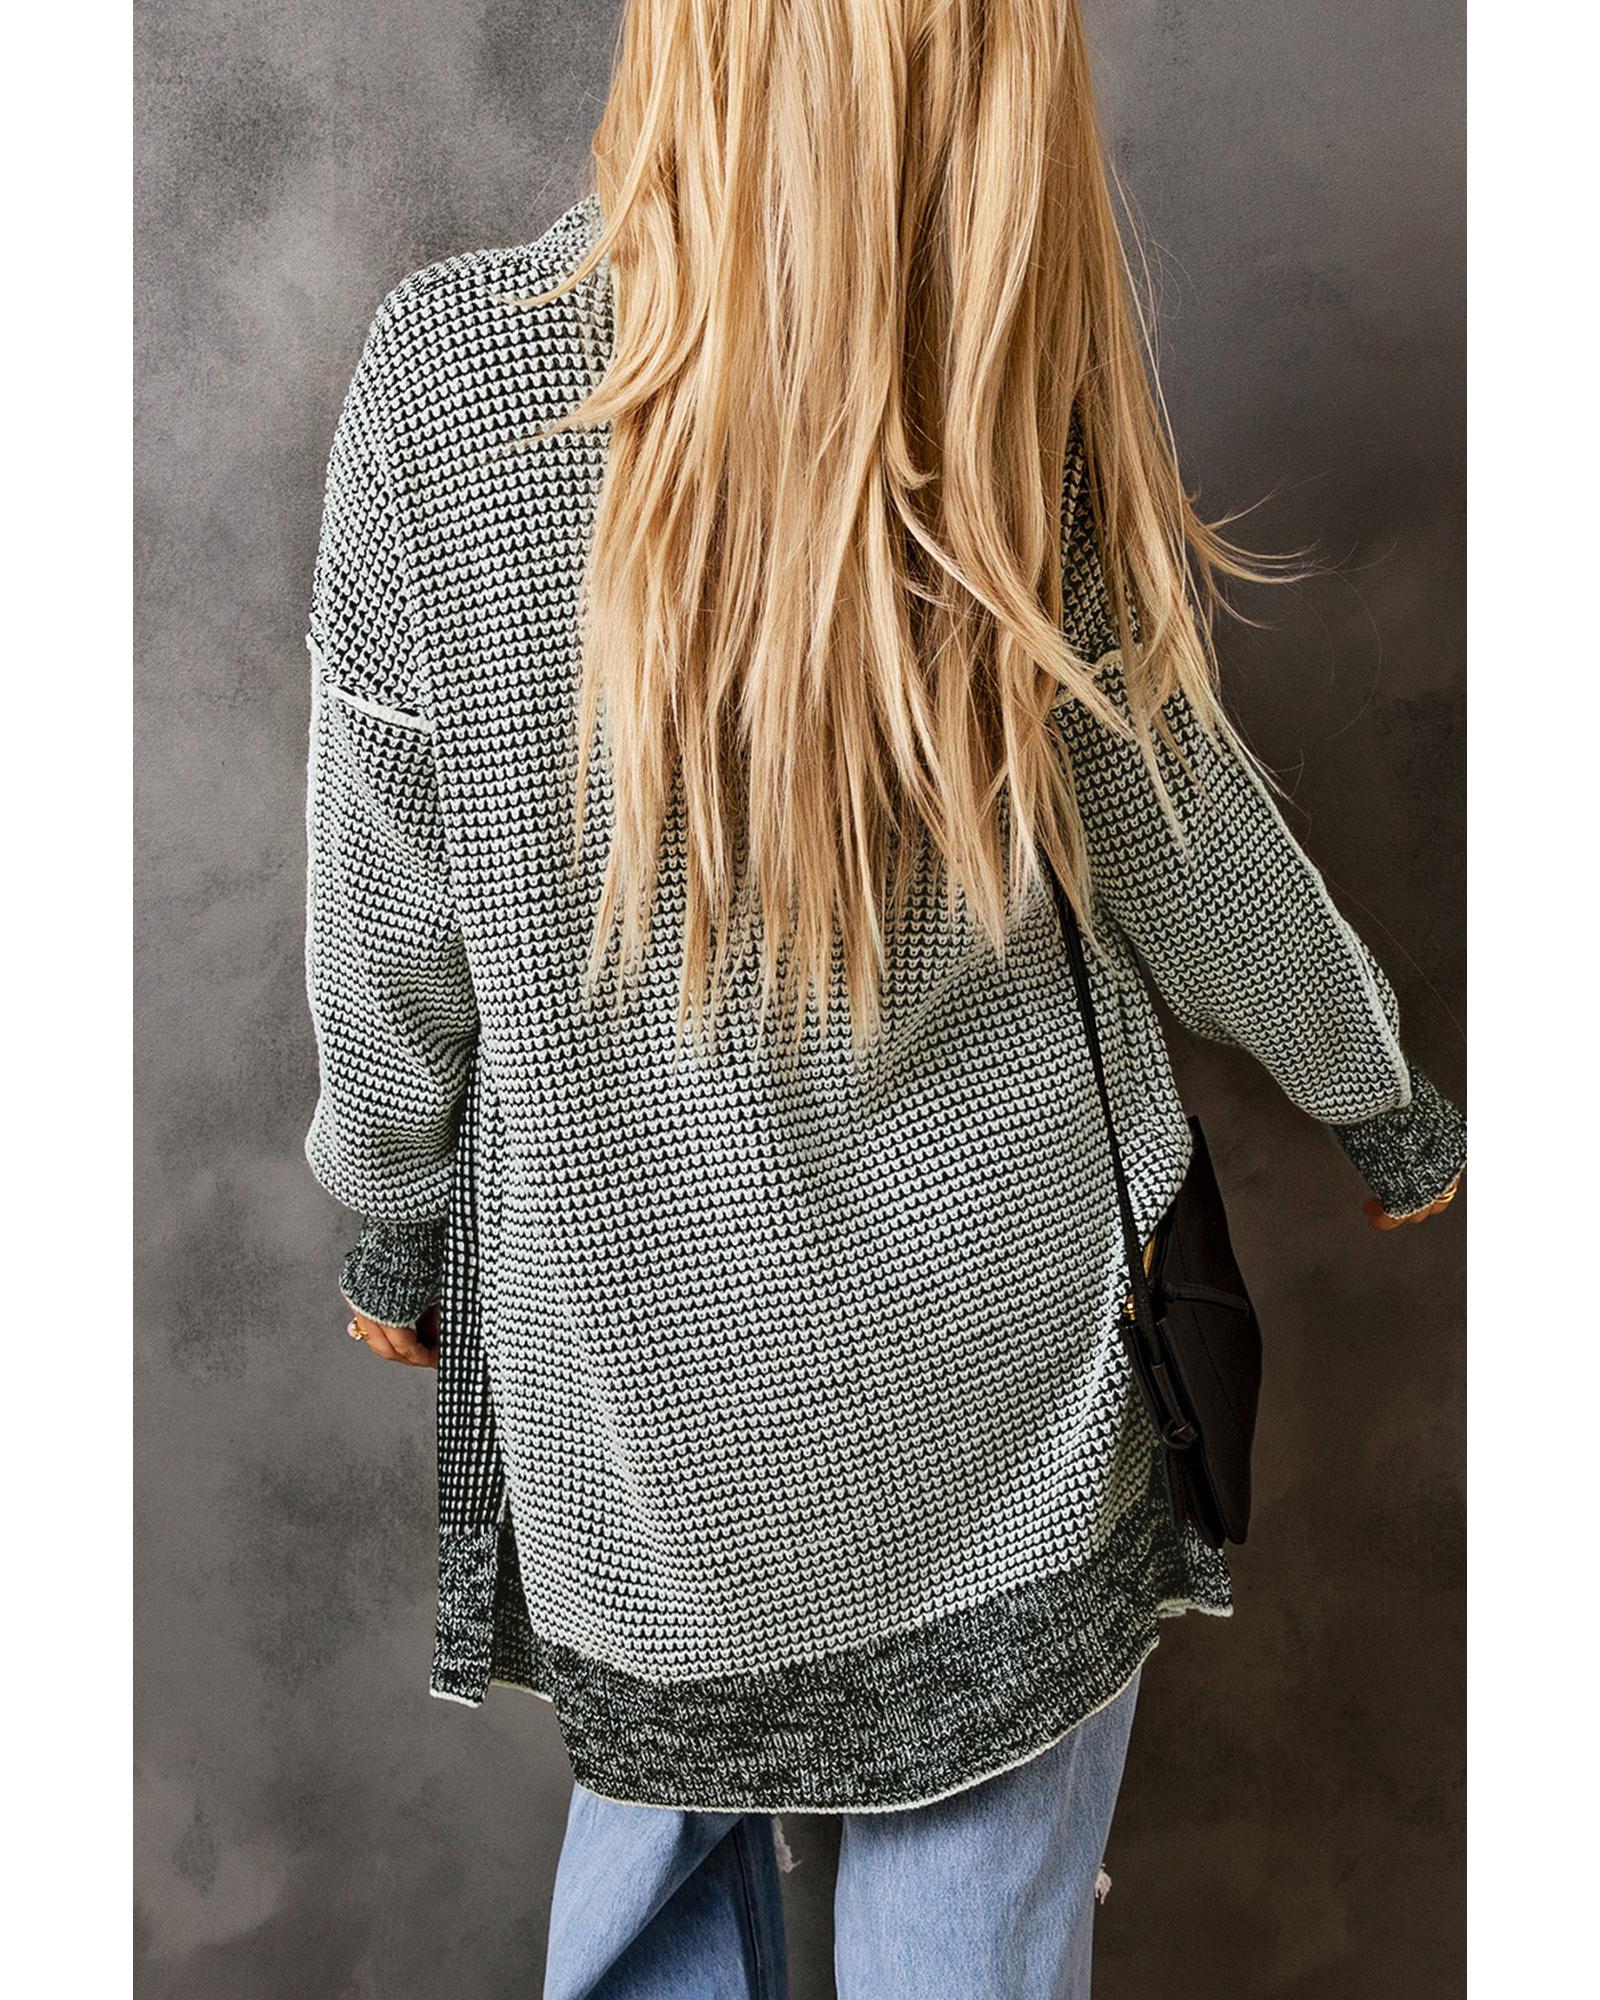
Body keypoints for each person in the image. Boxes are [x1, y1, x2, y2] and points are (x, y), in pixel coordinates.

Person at [300, 4, 1464, 1993]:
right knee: (974, 1942)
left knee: (655, 1905)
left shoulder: (443, 378)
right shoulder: (1001, 398)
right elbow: (1178, 828)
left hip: (649, 1420)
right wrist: (1376, 1098)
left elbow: (384, 904)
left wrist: (393, 1215)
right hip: (1005, 1390)